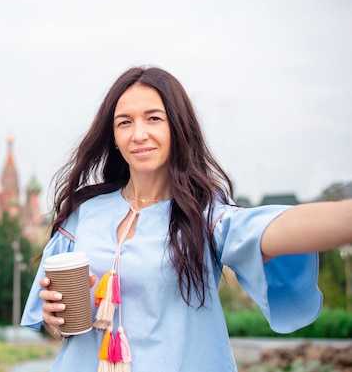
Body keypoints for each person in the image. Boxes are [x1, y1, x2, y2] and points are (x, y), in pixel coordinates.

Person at [20, 66, 352, 372]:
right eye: (124, 122)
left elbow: (275, 229)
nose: (138, 134)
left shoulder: (205, 215)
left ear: (177, 128)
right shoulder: (84, 215)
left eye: (153, 119)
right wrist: (55, 317)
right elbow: (54, 325)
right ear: (113, 138)